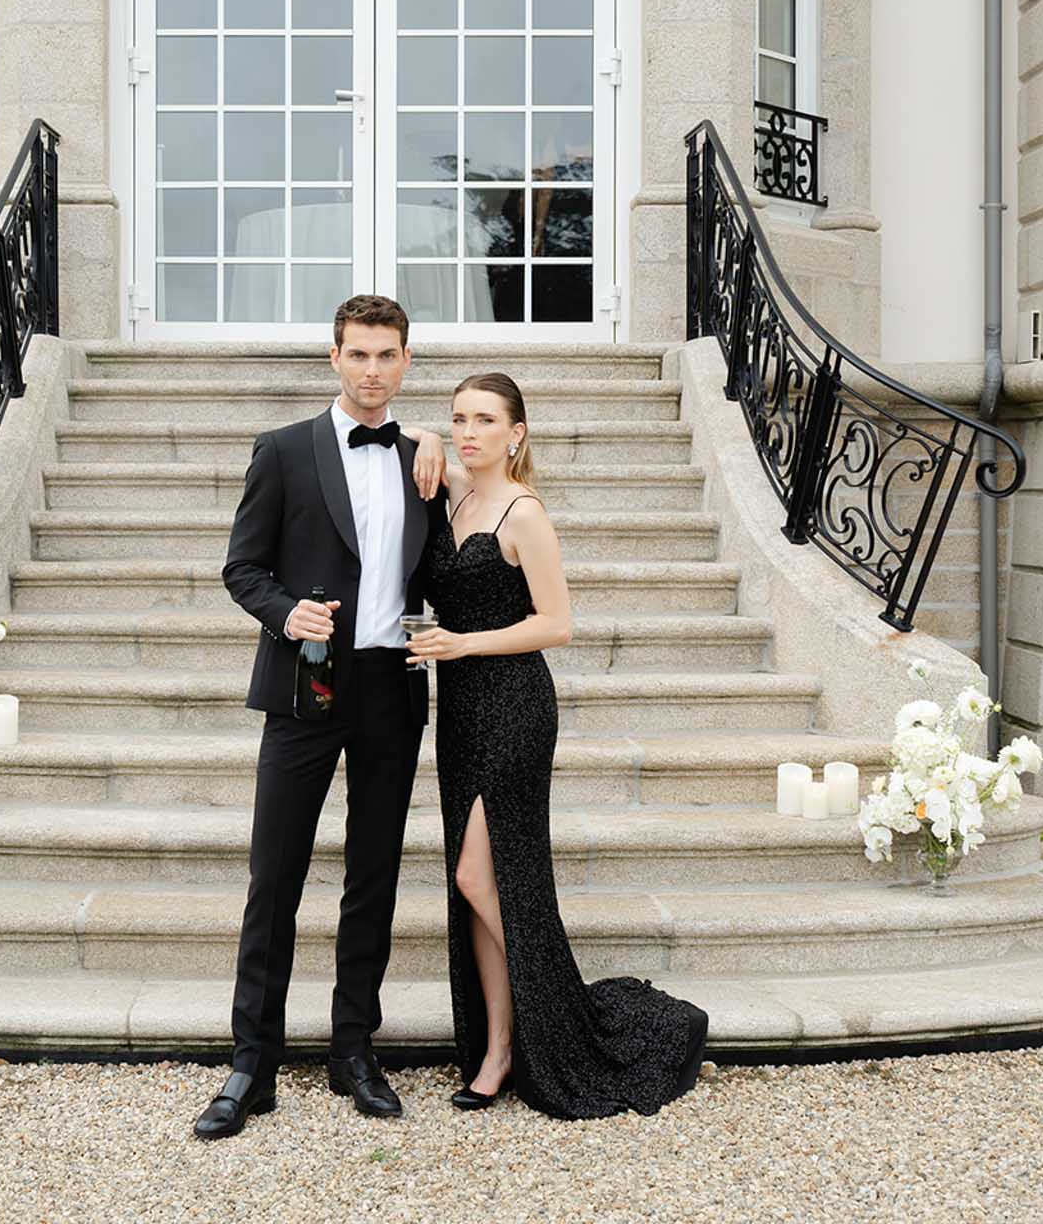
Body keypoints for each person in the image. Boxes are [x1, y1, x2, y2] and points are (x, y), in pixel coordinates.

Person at [402, 371, 710, 1118]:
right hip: (461, 708)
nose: (469, 431)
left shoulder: (522, 512)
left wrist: (464, 643)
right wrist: (432, 437)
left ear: (518, 433)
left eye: (485, 420)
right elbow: (401, 435)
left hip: (512, 704)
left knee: (482, 878)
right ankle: (501, 1046)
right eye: (460, 418)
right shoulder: (454, 496)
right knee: (475, 884)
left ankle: (557, 1012)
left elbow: (557, 623)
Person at [192, 294, 447, 1141]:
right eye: (359, 355)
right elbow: (241, 568)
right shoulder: (285, 451)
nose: (373, 371)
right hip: (305, 687)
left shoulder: (423, 460)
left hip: (391, 687)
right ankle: (250, 1066)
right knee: (277, 877)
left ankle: (353, 1052)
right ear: (333, 358)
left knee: (372, 878)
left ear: (406, 361)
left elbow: (440, 567)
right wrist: (284, 611)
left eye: (388, 356)